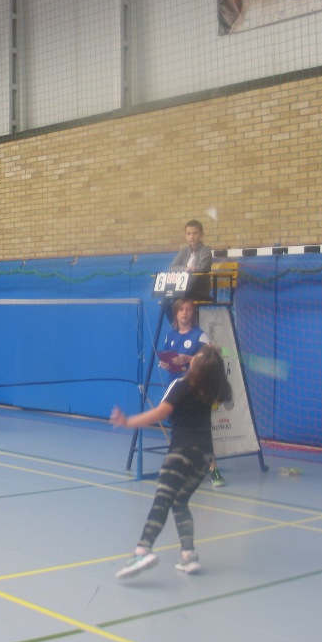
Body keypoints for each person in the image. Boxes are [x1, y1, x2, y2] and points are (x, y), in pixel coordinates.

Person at [110, 344, 231, 579]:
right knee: (180, 502)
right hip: (204, 457)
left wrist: (127, 422)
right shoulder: (212, 387)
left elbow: (160, 413)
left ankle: (142, 550)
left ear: (196, 365)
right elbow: (209, 364)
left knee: (162, 500)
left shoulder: (182, 384)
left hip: (181, 453)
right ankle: (188, 555)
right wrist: (210, 356)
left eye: (196, 356)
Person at [157, 297, 226, 488]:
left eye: (188, 309)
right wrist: (165, 364)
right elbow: (166, 358)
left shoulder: (200, 336)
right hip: (175, 387)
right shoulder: (170, 336)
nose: (185, 313)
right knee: (178, 429)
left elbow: (214, 356)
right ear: (176, 313)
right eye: (181, 310)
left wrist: (188, 359)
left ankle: (213, 469)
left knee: (202, 431)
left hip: (196, 389)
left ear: (193, 313)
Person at [168, 219, 213, 301]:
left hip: (199, 290)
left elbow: (204, 267)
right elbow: (172, 267)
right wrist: (185, 269)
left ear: (201, 235)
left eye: (195, 233)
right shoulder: (184, 250)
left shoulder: (206, 250)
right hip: (183, 288)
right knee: (166, 300)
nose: (191, 237)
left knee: (174, 300)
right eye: (188, 234)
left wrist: (193, 269)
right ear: (185, 235)